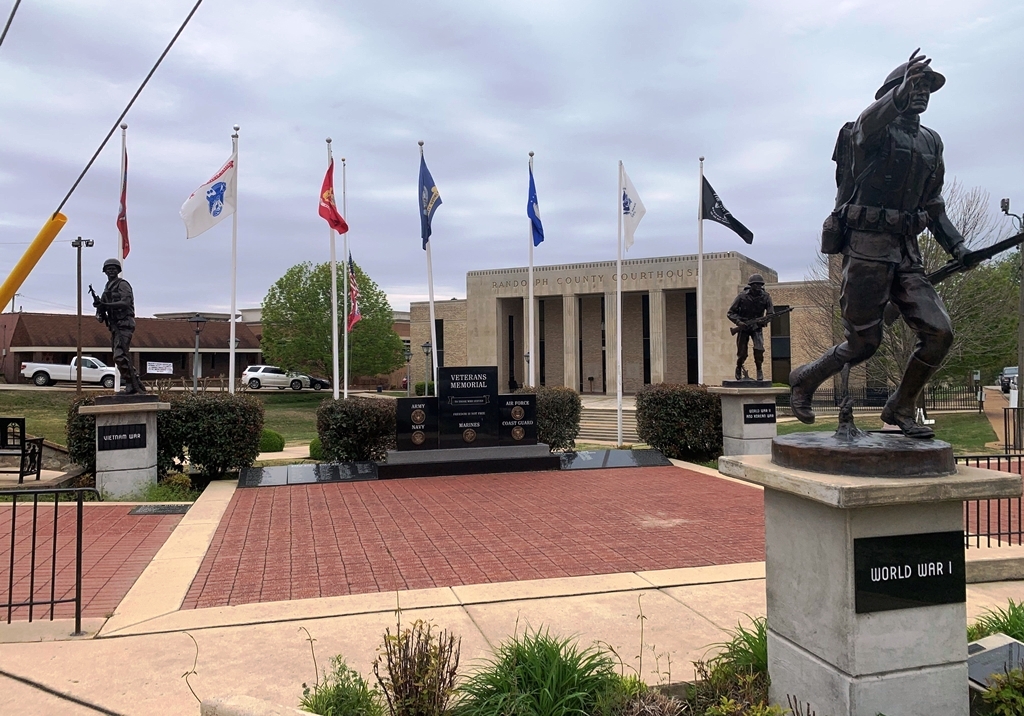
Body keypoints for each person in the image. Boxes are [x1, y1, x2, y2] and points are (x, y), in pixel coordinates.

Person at [790, 49, 967, 438]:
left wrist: (957, 246)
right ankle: (805, 379)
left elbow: (934, 204)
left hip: (906, 253)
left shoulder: (931, 142)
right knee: (864, 343)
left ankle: (901, 407)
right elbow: (868, 124)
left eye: (926, 88)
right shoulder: (864, 132)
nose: (921, 93)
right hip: (867, 248)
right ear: (892, 91)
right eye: (914, 85)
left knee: (940, 333)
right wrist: (897, 96)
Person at [93, 258, 146, 394]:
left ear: (118, 270)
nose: (111, 271)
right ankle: (135, 382)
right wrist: (100, 307)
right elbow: (102, 310)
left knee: (119, 355)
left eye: (113, 268)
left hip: (124, 324)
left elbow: (125, 303)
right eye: (108, 268)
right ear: (104, 271)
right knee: (120, 356)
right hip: (115, 326)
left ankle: (131, 382)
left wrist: (106, 305)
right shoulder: (107, 288)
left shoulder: (123, 285)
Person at [727, 274, 773, 381]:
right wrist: (739, 322)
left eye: (760, 285)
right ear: (751, 285)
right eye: (756, 284)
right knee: (742, 353)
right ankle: (738, 367)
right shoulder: (741, 296)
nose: (758, 287)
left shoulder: (766, 297)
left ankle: (759, 369)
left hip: (757, 327)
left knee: (759, 349)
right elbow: (730, 313)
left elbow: (770, 313)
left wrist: (765, 320)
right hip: (743, 327)